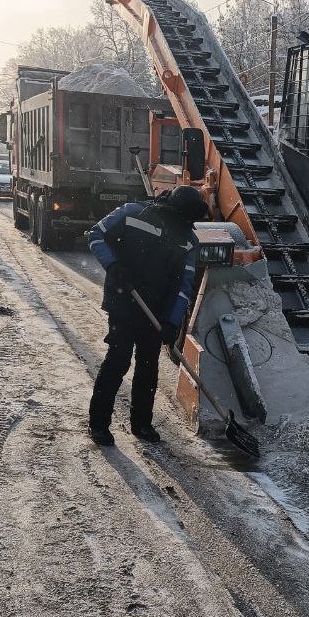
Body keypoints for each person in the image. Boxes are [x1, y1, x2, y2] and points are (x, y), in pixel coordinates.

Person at [85, 185, 209, 447]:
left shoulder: (188, 240)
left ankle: (141, 424)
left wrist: (171, 322)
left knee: (148, 366)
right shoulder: (133, 213)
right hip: (123, 300)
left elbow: (183, 286)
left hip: (156, 311)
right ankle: (98, 424)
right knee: (118, 360)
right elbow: (96, 234)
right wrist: (113, 265)